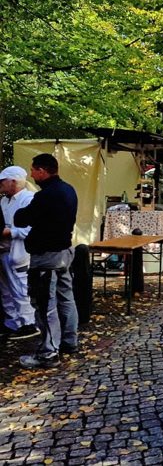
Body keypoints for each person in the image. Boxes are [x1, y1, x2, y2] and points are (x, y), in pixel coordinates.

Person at [14, 153, 78, 368]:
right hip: (64, 251)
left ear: (42, 170)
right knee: (65, 298)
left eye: (33, 170)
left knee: (44, 305)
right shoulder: (69, 189)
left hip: (47, 256)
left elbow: (22, 218)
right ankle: (69, 342)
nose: (31, 174)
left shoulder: (46, 195)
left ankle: (49, 353)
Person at [0, 166, 38, 340]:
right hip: (4, 251)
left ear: (13, 182)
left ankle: (28, 323)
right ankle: (12, 322)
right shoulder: (3, 201)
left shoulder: (29, 199)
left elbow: (32, 230)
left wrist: (10, 232)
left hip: (19, 252)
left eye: (2, 181)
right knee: (6, 289)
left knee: (21, 287)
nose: (0, 184)